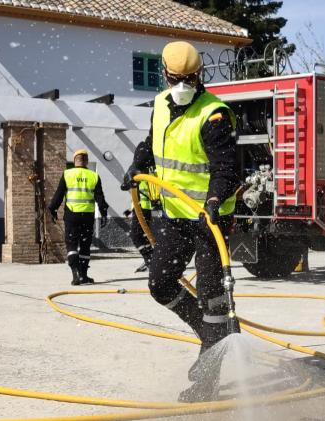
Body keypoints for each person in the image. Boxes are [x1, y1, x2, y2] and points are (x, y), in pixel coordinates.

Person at [121, 41, 239, 400]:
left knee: (212, 299)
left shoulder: (213, 115)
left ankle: (207, 381)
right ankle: (207, 333)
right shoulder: (159, 103)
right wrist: (139, 164)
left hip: (209, 221)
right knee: (159, 283)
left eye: (189, 78)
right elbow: (153, 142)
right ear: (166, 75)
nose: (183, 84)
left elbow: (228, 168)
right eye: (177, 78)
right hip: (174, 217)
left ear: (199, 75)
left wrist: (215, 199)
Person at [49, 149, 109, 285]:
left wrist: (53, 209)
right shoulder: (94, 176)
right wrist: (104, 213)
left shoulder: (67, 174)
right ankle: (83, 275)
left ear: (75, 160)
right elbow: (100, 197)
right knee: (85, 245)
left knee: (71, 244)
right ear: (86, 161)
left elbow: (59, 194)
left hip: (72, 215)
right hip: (87, 216)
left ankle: (75, 274)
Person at [128, 179, 155, 273]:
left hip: (141, 209)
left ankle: (150, 259)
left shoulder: (140, 178)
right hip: (142, 209)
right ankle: (151, 258)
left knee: (135, 236)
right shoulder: (143, 177)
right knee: (143, 236)